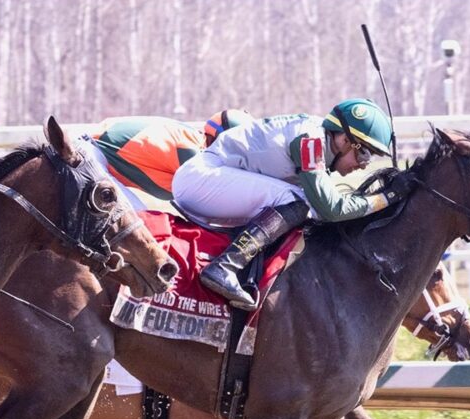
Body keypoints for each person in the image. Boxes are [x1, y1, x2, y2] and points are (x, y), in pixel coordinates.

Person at [172, 98, 412, 309]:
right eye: (365, 153)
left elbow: (322, 210)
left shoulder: (316, 140)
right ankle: (225, 266)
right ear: (345, 140)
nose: (364, 164)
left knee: (302, 204)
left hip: (212, 181)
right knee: (296, 200)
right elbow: (331, 209)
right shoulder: (310, 140)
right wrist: (385, 198)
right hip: (200, 179)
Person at [85, 109, 252, 210]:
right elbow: (208, 205)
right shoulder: (190, 150)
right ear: (221, 139)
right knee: (141, 223)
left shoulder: (194, 141)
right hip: (90, 157)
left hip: (91, 153)